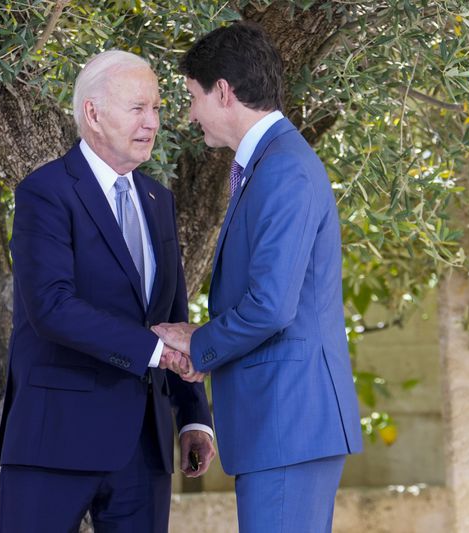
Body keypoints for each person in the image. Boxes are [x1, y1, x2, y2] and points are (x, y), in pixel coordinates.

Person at [153, 21, 363, 532]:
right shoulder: (270, 163)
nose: (189, 114)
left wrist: (201, 341)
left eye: (193, 97)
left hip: (288, 422)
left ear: (223, 92)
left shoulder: (283, 169)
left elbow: (270, 305)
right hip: (282, 423)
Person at [0, 50, 215, 532]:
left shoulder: (159, 200)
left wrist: (195, 416)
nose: (153, 122)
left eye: (156, 109)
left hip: (144, 447)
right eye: (139, 108)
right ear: (93, 113)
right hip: (56, 440)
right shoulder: (45, 192)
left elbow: (173, 313)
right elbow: (51, 307)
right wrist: (155, 351)